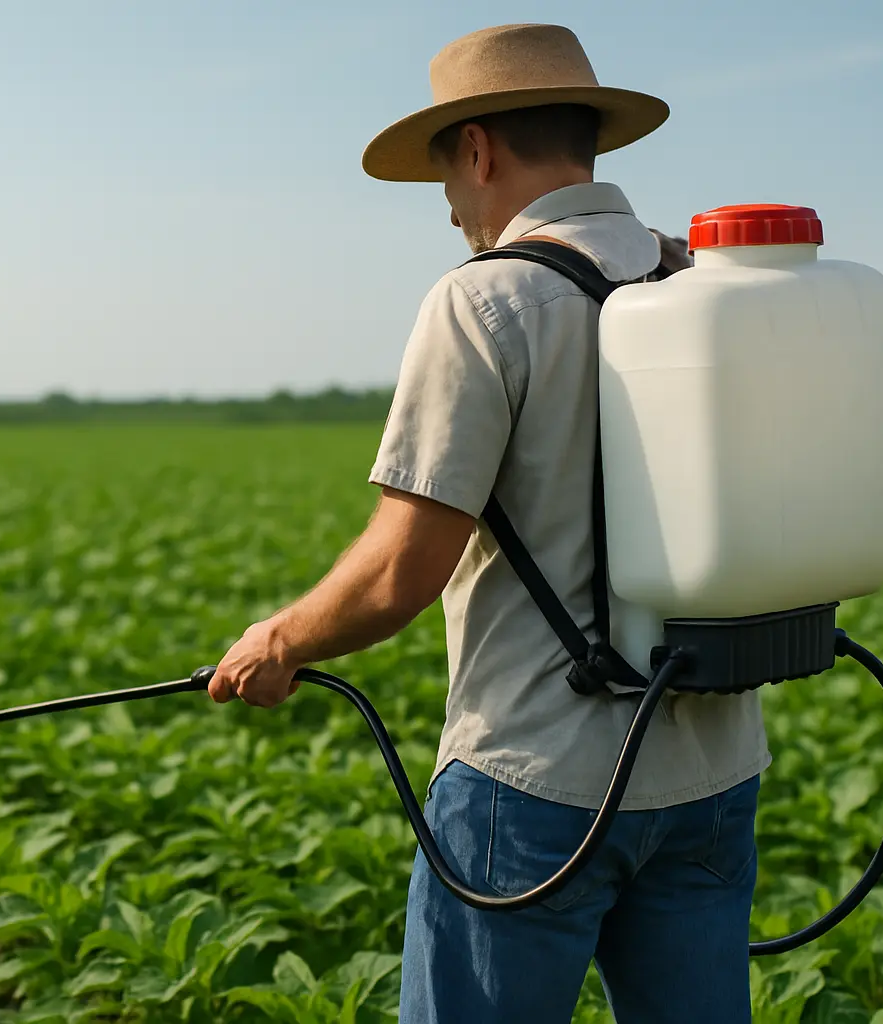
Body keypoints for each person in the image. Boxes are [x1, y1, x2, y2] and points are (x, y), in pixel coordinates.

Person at [207, 23, 767, 1024]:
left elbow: (400, 571)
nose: (451, 209)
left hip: (536, 780)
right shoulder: (702, 283)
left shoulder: (486, 300)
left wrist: (280, 640)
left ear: (477, 149)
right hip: (712, 771)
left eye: (444, 178)